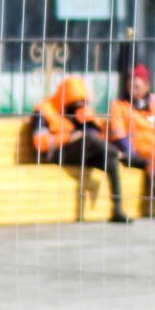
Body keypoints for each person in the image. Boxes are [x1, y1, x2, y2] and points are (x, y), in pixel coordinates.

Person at [31, 75, 133, 224]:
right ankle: (120, 155)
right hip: (56, 153)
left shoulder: (78, 111)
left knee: (109, 159)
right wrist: (68, 137)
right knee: (90, 140)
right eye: (74, 104)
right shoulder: (43, 110)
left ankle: (117, 209)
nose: (77, 107)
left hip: (80, 150)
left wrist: (88, 120)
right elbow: (40, 142)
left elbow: (97, 135)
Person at [109, 64, 155, 217]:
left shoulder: (154, 102)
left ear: (147, 86)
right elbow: (119, 135)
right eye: (130, 84)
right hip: (134, 147)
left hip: (154, 144)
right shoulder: (119, 105)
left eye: (137, 85)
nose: (132, 88)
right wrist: (131, 153)